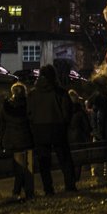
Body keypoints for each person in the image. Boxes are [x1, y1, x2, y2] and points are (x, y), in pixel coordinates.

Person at [28, 64, 76, 195]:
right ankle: (70, 185)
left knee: (44, 161)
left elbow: (29, 113)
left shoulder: (33, 94)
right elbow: (67, 111)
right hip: (57, 127)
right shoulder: (60, 92)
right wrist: (64, 123)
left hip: (40, 129)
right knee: (64, 158)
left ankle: (48, 189)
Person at [0, 82, 35, 200]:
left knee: (18, 168)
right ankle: (27, 192)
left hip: (11, 141)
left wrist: (2, 140)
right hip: (26, 139)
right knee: (28, 167)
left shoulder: (6, 106)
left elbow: (2, 125)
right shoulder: (28, 105)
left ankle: (17, 191)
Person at [67, 89, 93, 182]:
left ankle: (71, 179)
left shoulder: (64, 111)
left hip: (67, 139)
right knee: (78, 161)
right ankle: (76, 179)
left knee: (70, 160)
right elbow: (87, 127)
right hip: (78, 138)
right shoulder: (80, 112)